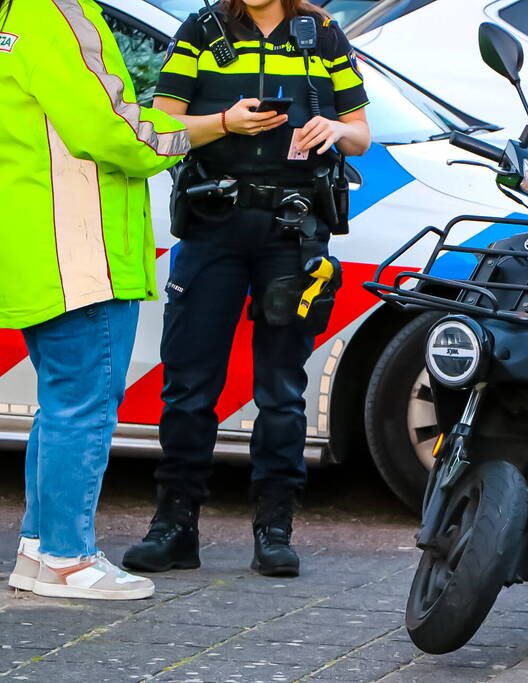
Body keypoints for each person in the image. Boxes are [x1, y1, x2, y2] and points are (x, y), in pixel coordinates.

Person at [123, 0, 370, 578]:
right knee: (189, 384)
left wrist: (336, 129)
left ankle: (275, 528)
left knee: (281, 390)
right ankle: (175, 525)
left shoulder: (323, 33)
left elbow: (360, 133)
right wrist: (225, 124)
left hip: (293, 231)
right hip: (213, 226)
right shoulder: (204, 30)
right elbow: (162, 125)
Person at [0, 0, 190, 599]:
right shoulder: (58, 12)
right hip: (80, 252)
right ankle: (66, 558)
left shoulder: (16, 14)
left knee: (61, 404)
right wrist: (201, 130)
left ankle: (39, 548)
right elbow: (112, 132)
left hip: (37, 245)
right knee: (85, 406)